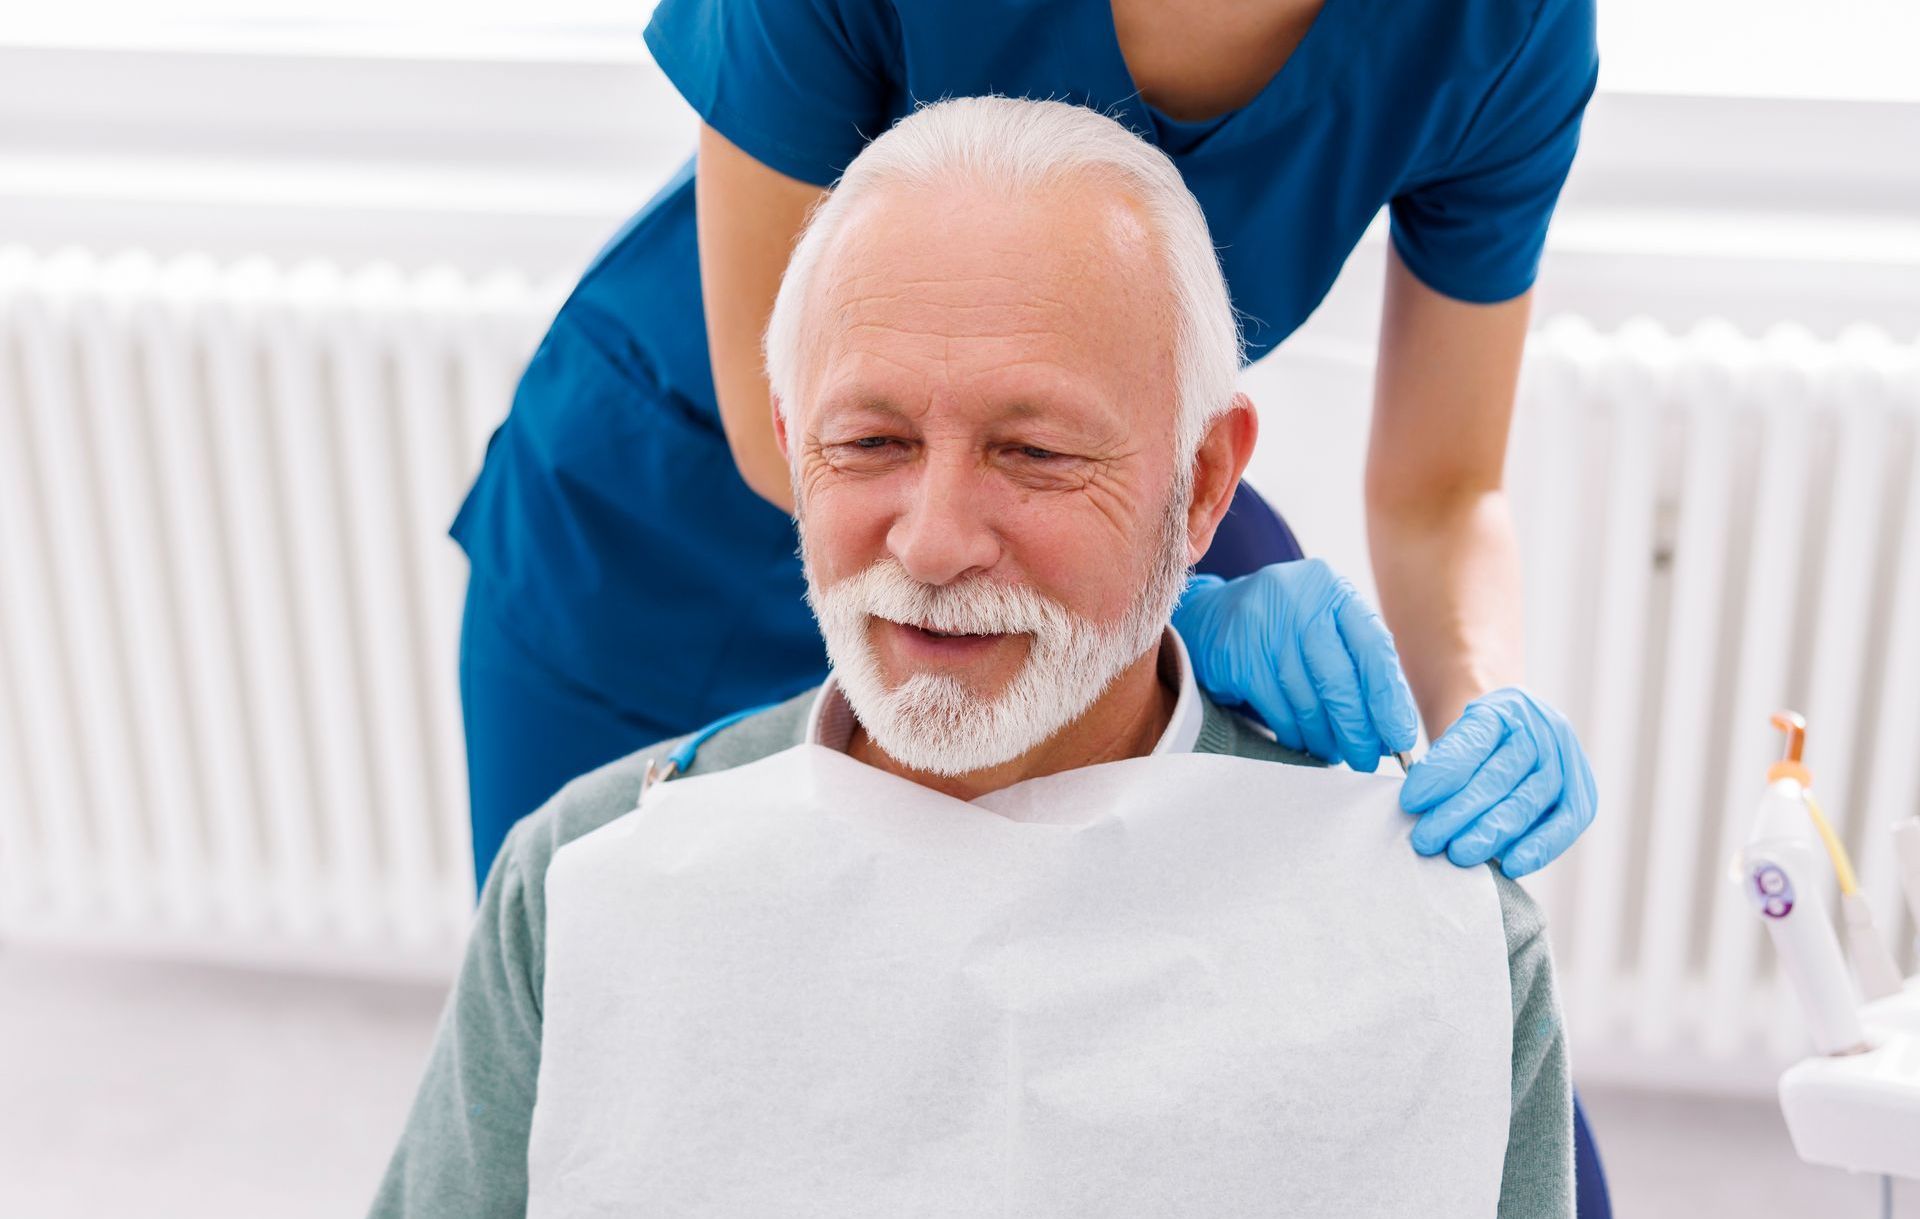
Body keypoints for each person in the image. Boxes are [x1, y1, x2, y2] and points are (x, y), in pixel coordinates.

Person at [373, 99, 1570, 1217]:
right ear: (796, 447)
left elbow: (1446, 484)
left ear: (1205, 481)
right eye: (870, 439)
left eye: (1037, 452)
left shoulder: (1437, 939)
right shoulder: (577, 884)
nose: (935, 541)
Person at [451, 0, 1602, 892]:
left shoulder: (1502, 31)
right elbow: (775, 423)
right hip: (658, 537)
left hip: (1053, 556)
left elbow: (1442, 489)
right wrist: (1166, 605)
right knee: (620, 1045)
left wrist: (1480, 707)